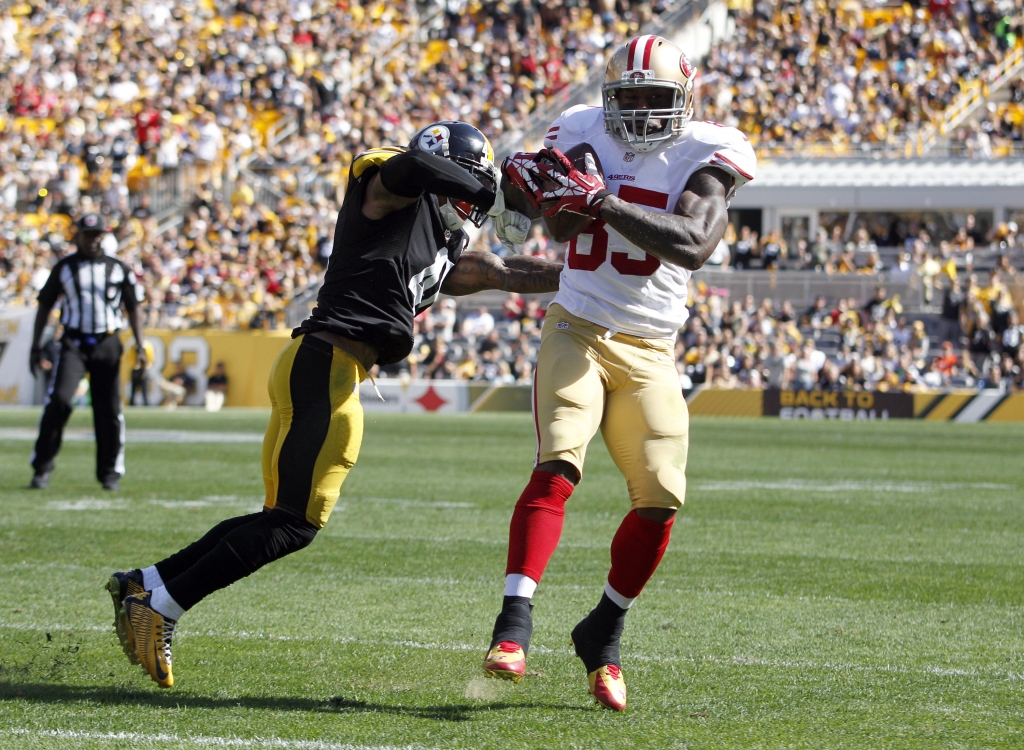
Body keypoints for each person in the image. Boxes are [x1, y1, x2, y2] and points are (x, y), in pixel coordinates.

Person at [107, 121, 553, 689]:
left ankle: (146, 582)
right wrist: (490, 187)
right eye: (468, 190)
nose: (472, 205)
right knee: (295, 524)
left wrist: (585, 277)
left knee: (280, 517)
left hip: (329, 368)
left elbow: (499, 271)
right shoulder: (388, 187)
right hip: (323, 365)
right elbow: (410, 169)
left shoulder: (433, 242)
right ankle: (163, 606)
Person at [483, 36, 756, 711]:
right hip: (576, 323)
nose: (636, 111)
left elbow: (692, 244)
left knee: (663, 495)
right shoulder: (578, 128)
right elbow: (557, 226)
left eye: (651, 98)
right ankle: (512, 624)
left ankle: (602, 630)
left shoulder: (708, 152)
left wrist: (601, 201)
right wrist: (534, 195)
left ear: (683, 99)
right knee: (559, 462)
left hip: (650, 348)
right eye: (625, 97)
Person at [28, 213, 149, 491]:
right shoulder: (64, 268)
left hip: (108, 341)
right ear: (77, 236)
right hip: (74, 342)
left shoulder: (119, 268)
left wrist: (140, 345)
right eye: (87, 235)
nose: (92, 241)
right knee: (58, 400)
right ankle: (41, 468)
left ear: (103, 237)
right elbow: (44, 305)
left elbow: (134, 308)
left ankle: (109, 474)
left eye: (97, 235)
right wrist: (36, 347)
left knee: (108, 410)